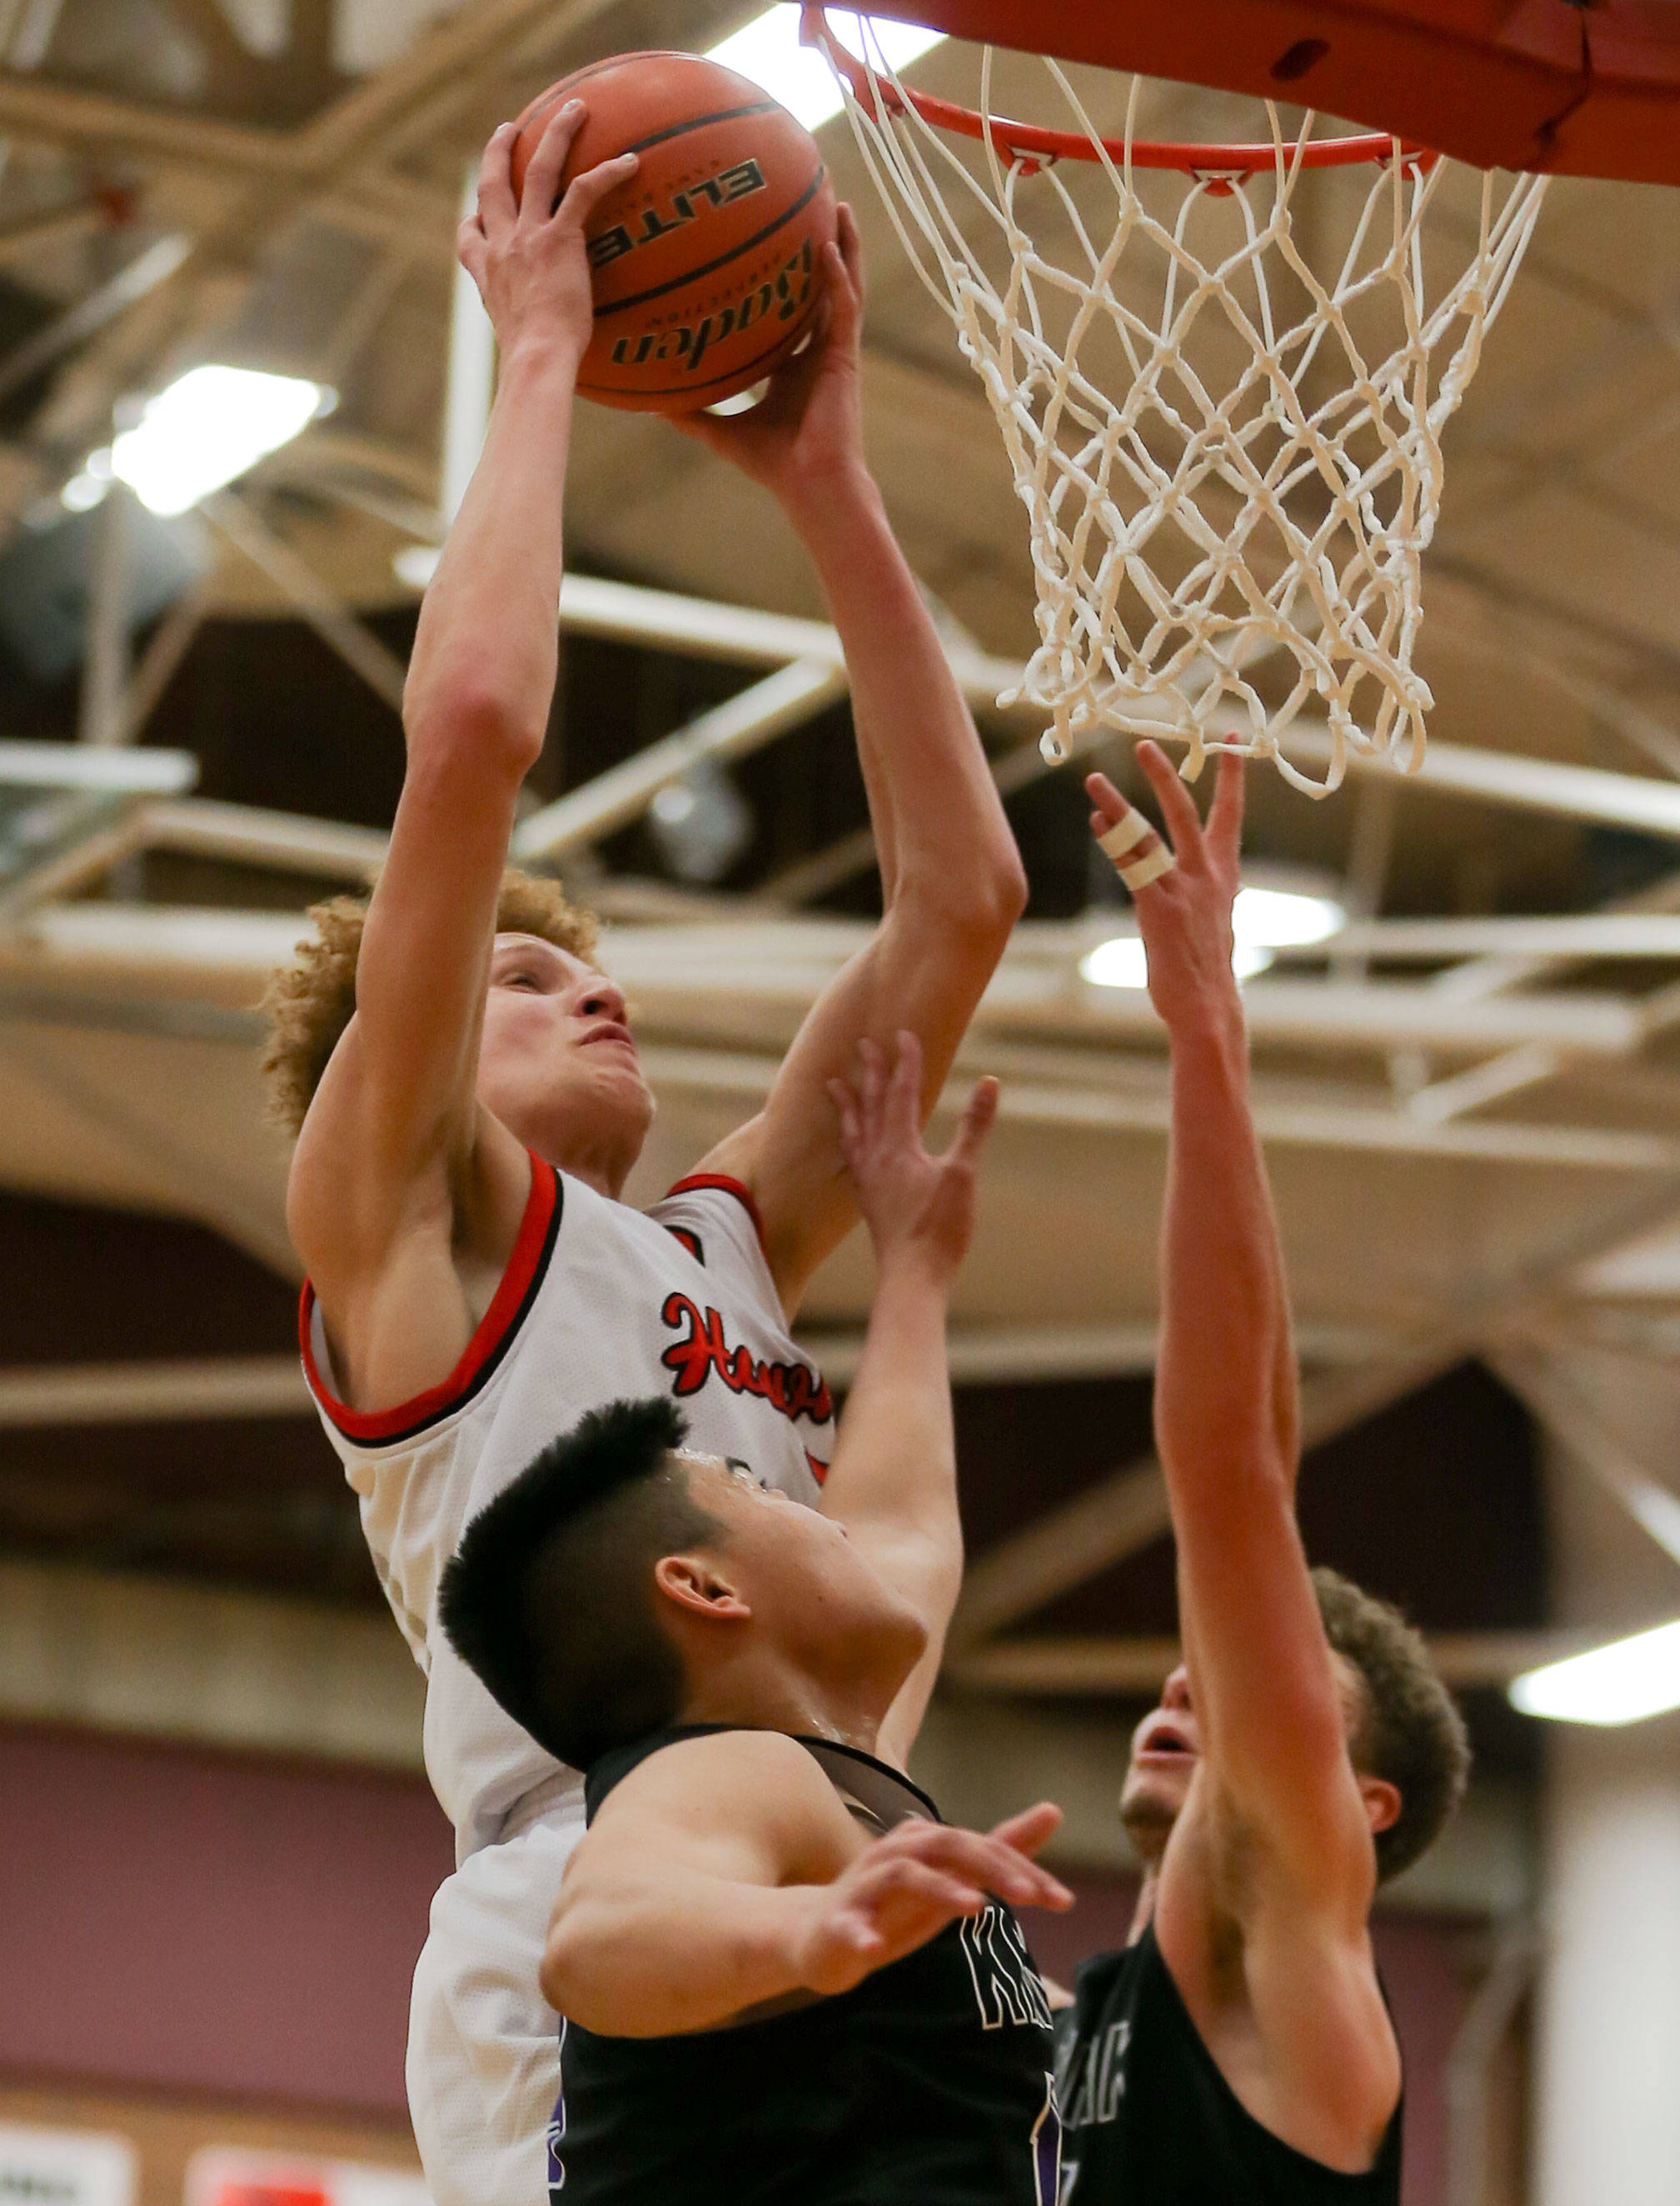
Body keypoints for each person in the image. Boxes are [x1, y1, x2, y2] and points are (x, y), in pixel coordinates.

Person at [260, 98, 1026, 2206]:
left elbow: (958, 896)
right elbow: (480, 728)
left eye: (582, 973)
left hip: (824, 1844)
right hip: (584, 1898)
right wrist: (533, 352)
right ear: (396, 1061)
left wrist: (833, 482)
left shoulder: (716, 1241)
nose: (587, 993)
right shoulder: (395, 1230)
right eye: (516, 981)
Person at [440, 1036, 1070, 2205]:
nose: (824, 1507)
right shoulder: (734, 1776)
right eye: (770, 1491)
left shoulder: (843, 1779)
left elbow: (907, 1532)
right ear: (706, 1589)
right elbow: (601, 1939)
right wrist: (809, 1937)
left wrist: (917, 1273)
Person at [1054, 742, 1471, 2203]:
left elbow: (1233, 1473)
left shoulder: (1295, 1962)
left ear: (1358, 1806)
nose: (1191, 1685)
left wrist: (1205, 1032)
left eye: (1244, 1686)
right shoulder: (1107, 2011)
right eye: (1207, 1673)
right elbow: (1260, 1464)